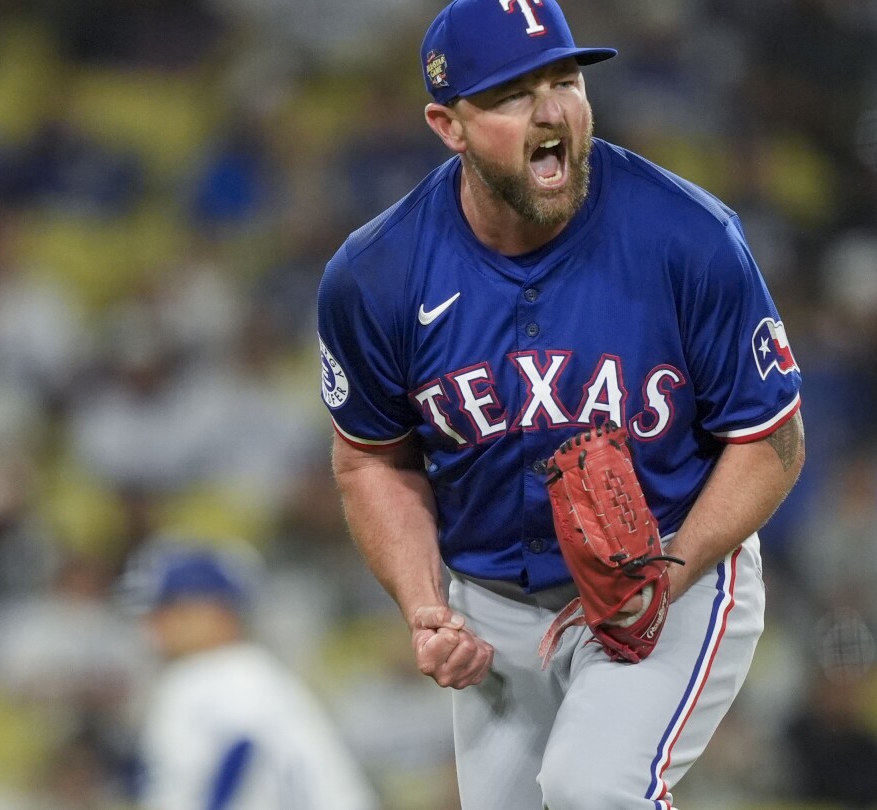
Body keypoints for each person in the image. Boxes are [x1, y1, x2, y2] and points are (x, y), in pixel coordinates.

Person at [316, 0, 806, 806]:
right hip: (491, 601)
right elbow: (371, 458)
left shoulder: (686, 236)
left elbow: (772, 439)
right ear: (450, 125)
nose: (551, 111)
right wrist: (426, 609)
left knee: (593, 790)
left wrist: (668, 580)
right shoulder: (377, 275)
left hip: (670, 559)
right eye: (513, 94)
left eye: (566, 80)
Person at [128, 541, 379, 810]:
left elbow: (241, 750)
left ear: (220, 612)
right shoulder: (253, 672)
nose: (156, 624)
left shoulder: (214, 675)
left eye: (173, 609)